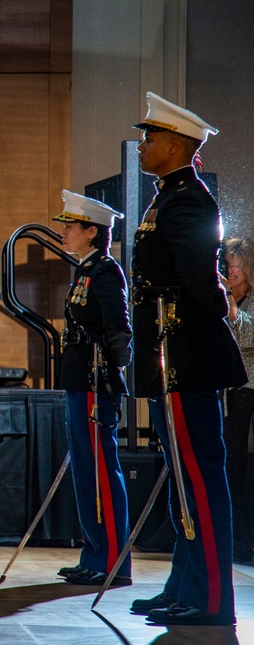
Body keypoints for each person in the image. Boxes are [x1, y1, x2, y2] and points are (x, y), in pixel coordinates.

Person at [128, 92, 247, 626]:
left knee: (199, 476)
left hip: (187, 354)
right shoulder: (166, 197)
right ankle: (185, 582)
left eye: (151, 138)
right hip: (167, 354)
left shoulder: (190, 200)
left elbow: (200, 278)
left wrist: (219, 300)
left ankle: (213, 600)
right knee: (183, 478)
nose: (143, 145)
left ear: (176, 145)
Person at [51, 190, 133, 587]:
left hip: (95, 383)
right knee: (86, 471)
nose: (64, 232)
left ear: (92, 232)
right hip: (78, 379)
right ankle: (94, 553)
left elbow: (119, 328)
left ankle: (112, 559)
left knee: (101, 470)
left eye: (71, 226)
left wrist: (112, 375)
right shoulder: (84, 270)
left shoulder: (105, 271)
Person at [222, 237, 254, 563]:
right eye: (228, 264)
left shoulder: (249, 300)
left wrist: (230, 305)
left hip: (249, 389)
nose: (231, 271)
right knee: (230, 464)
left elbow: (247, 337)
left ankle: (244, 541)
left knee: (241, 465)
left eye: (236, 264)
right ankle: (232, 538)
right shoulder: (225, 298)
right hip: (229, 389)